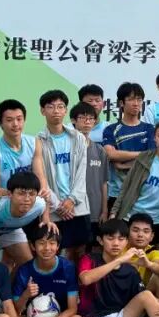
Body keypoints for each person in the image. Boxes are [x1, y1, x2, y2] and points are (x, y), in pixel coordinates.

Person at [31, 93, 90, 261]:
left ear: (65, 110)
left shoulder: (78, 137)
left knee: (79, 252)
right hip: (52, 209)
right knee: (51, 251)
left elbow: (82, 172)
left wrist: (72, 200)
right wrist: (57, 205)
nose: (56, 111)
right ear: (42, 111)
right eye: (50, 107)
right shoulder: (38, 141)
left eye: (60, 107)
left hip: (77, 206)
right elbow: (40, 177)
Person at [111, 121, 159, 258]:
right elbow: (126, 187)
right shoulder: (144, 158)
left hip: (156, 220)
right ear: (154, 138)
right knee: (119, 258)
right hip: (131, 217)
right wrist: (114, 212)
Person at [9, 220, 81, 317]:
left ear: (58, 246)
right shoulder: (24, 270)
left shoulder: (67, 268)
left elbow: (72, 309)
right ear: (33, 246)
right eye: (41, 243)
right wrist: (26, 294)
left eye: (52, 243)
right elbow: (17, 310)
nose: (47, 248)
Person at [0, 99, 36, 270]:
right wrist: (13, 194)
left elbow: (40, 179)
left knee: (13, 261)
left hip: (26, 210)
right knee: (22, 261)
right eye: (9, 120)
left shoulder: (34, 143)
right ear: (0, 123)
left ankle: (10, 288)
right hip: (3, 213)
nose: (15, 124)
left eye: (19, 119)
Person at [103, 82, 155, 209]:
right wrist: (141, 154)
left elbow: (152, 157)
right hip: (117, 193)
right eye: (131, 99)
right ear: (121, 103)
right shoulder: (111, 129)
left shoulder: (149, 129)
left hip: (143, 193)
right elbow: (110, 154)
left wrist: (122, 164)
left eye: (139, 99)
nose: (136, 103)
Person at [73, 102, 109, 251]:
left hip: (95, 210)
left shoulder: (100, 150)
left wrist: (104, 210)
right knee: (75, 250)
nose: (87, 122)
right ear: (74, 121)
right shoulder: (69, 148)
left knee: (95, 250)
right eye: (83, 118)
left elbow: (104, 182)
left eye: (91, 118)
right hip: (74, 209)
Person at [126, 212, 159, 302]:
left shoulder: (152, 250)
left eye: (146, 231)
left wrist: (148, 264)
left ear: (151, 236)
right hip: (119, 292)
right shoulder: (119, 246)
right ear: (127, 232)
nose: (140, 235)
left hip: (140, 295)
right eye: (135, 230)